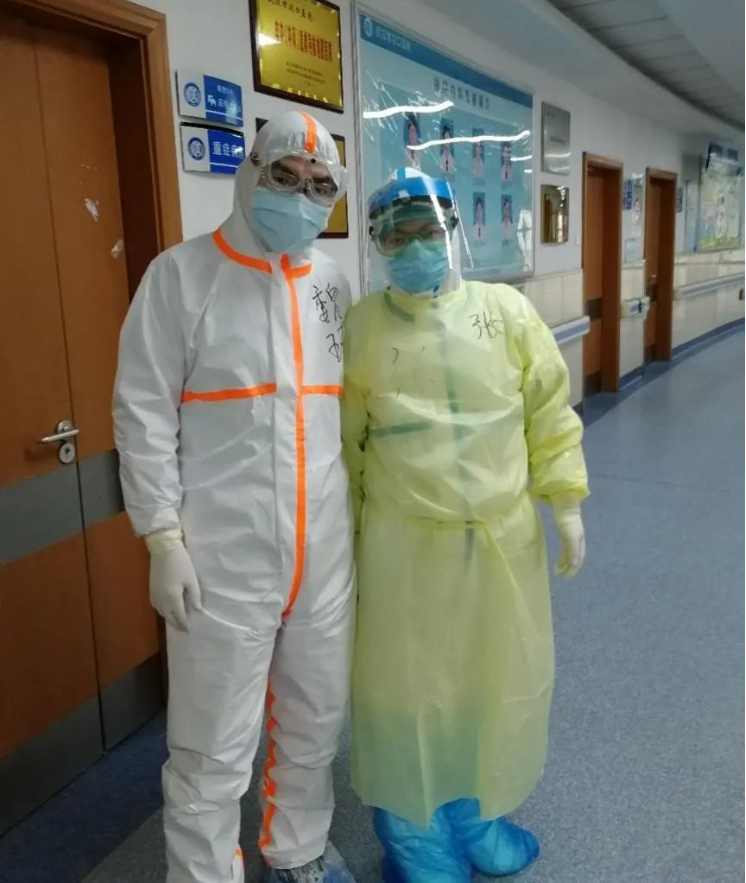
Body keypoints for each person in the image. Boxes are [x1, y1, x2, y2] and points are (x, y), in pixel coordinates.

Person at [113, 111, 357, 883]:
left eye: (319, 186)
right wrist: (161, 537)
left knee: (315, 720)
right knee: (212, 746)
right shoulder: (180, 277)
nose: (300, 196)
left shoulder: (332, 284)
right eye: (285, 176)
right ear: (250, 172)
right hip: (223, 558)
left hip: (325, 553)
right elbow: (142, 413)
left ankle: (298, 851)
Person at [341, 168, 588, 882]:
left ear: (453, 231)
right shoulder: (362, 326)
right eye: (398, 235)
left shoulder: (506, 312)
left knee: (490, 679)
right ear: (378, 243)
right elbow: (345, 444)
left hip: (500, 542)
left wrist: (566, 502)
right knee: (403, 694)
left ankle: (478, 816)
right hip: (401, 545)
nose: (415, 246)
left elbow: (548, 409)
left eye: (428, 230)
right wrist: (341, 542)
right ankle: (417, 840)